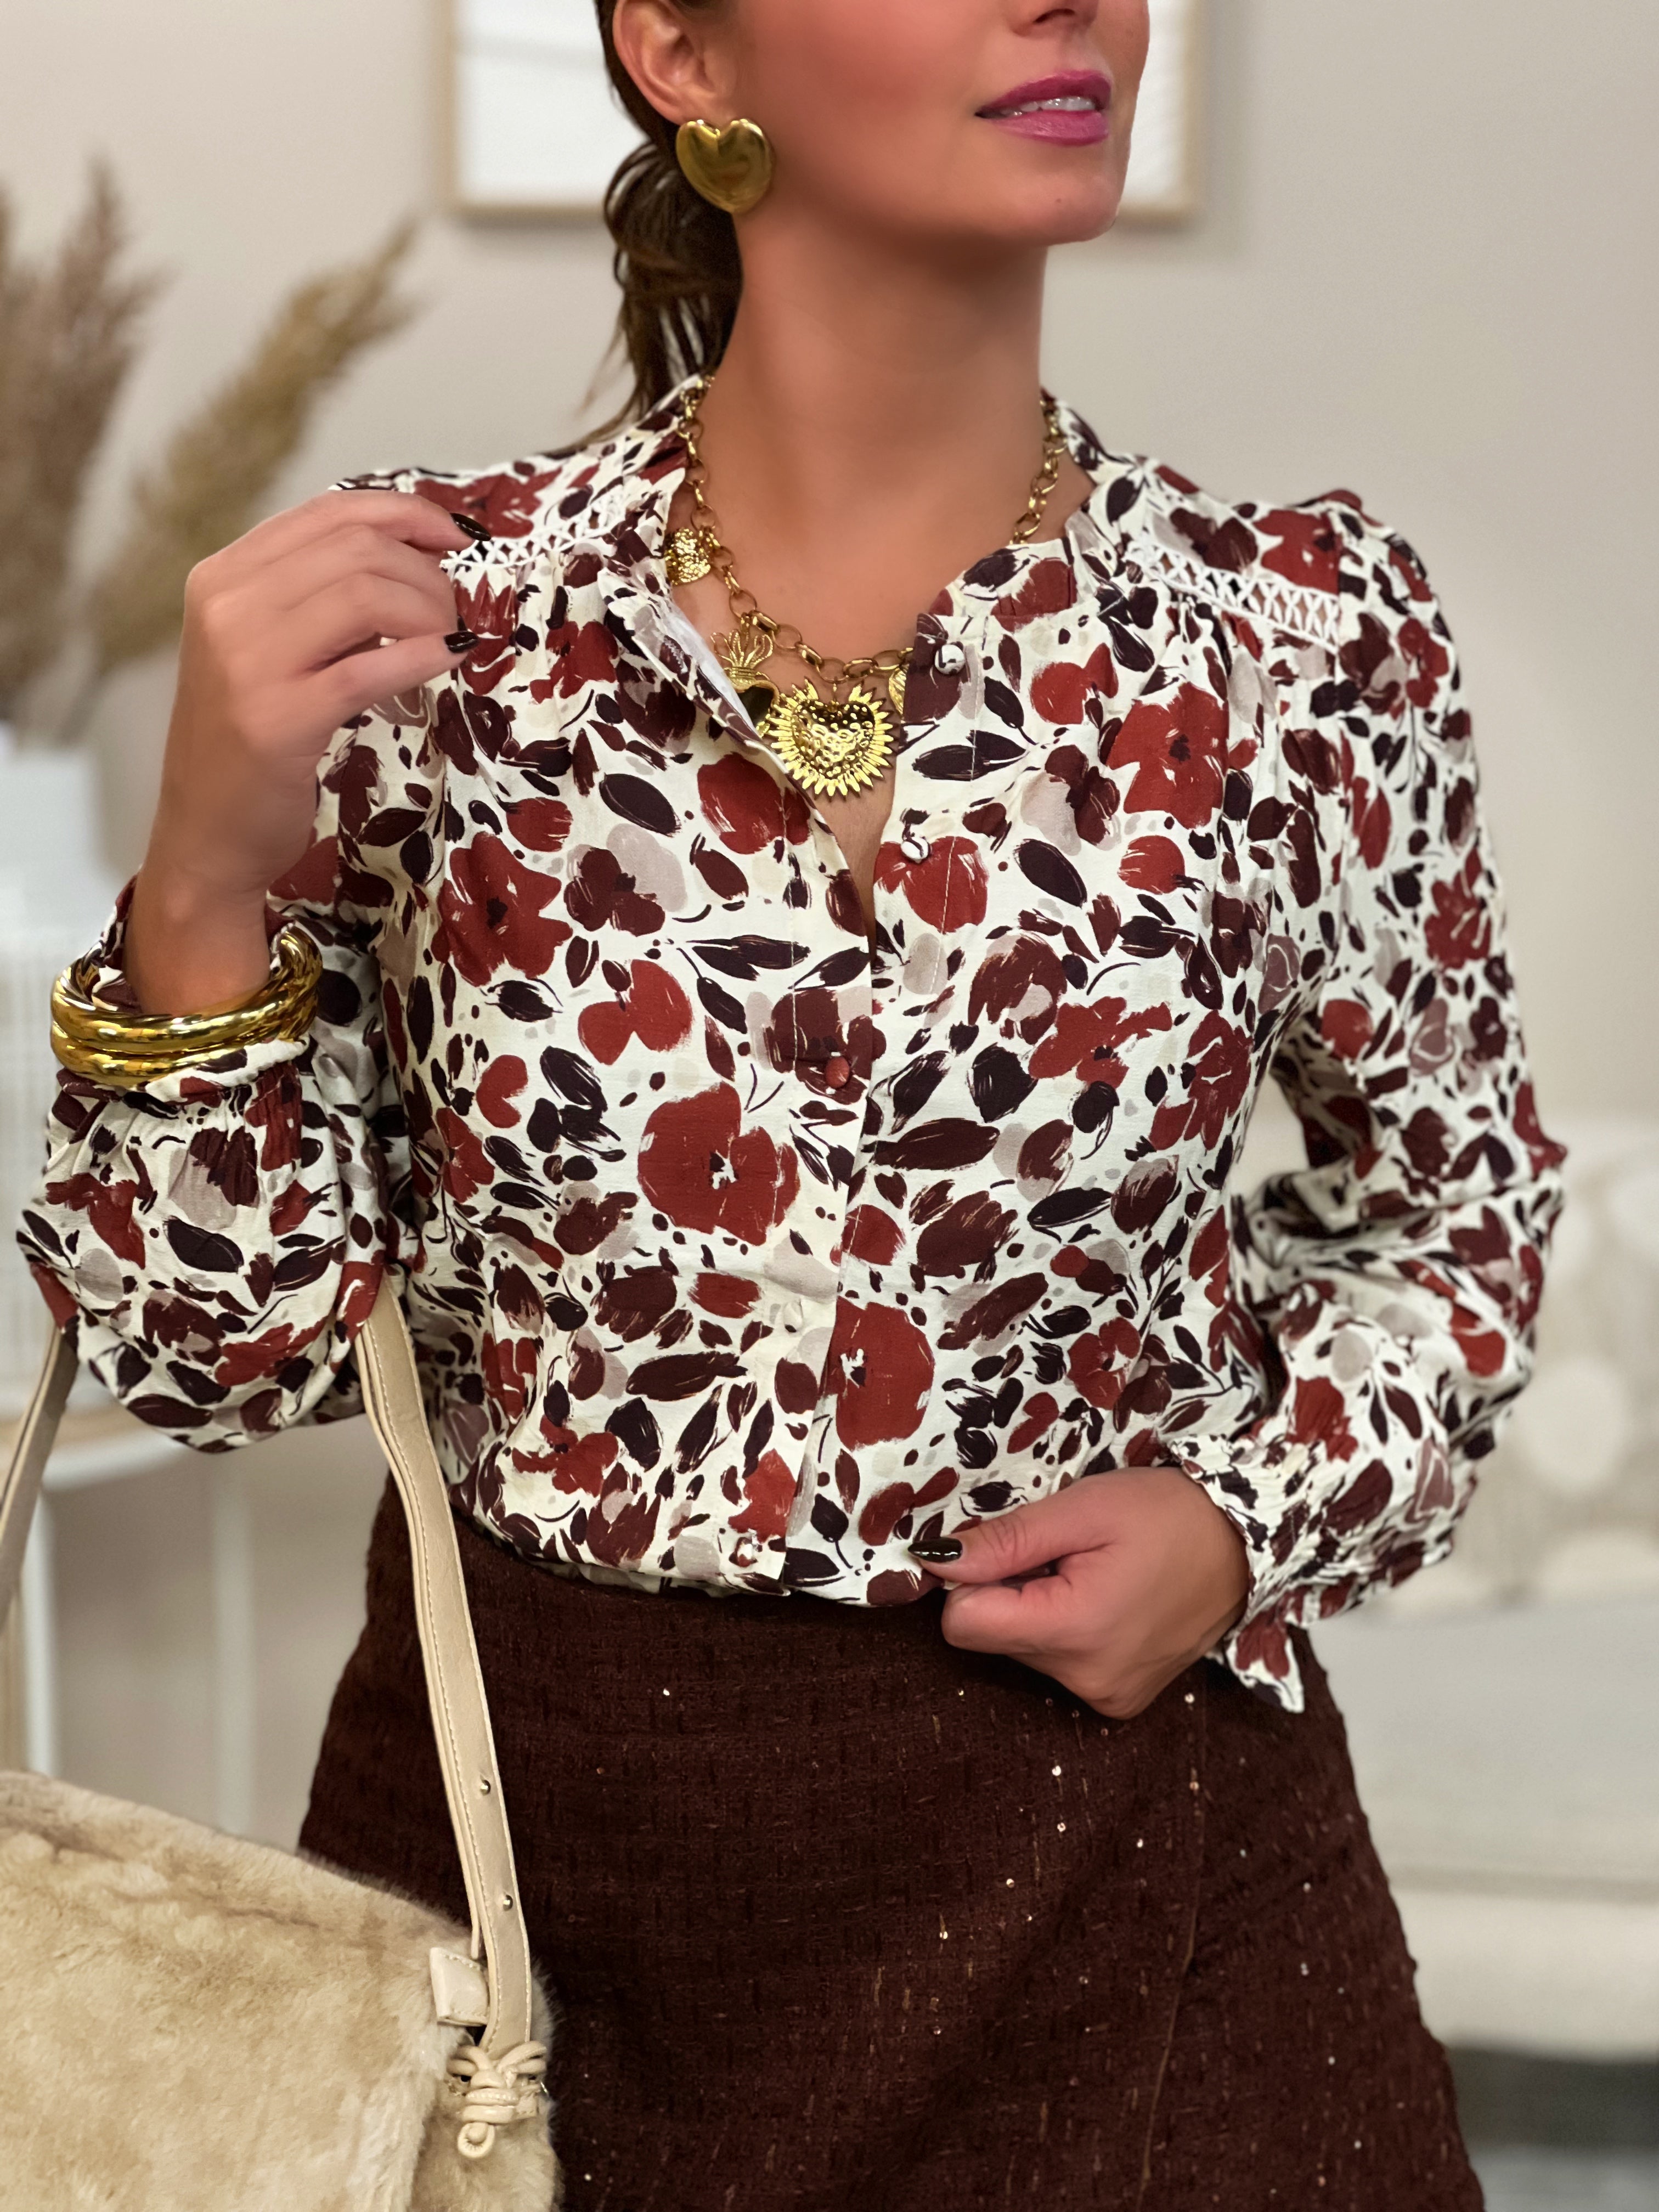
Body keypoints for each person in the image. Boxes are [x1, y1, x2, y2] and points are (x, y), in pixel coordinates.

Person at [22, 1, 1566, 2203]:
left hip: (1158, 1893)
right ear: (682, 49)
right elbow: (211, 1360)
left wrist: (1246, 1520)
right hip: (541, 1930)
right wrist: (196, 886)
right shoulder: (423, 634)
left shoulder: (1305, 644)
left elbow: (1459, 1223)